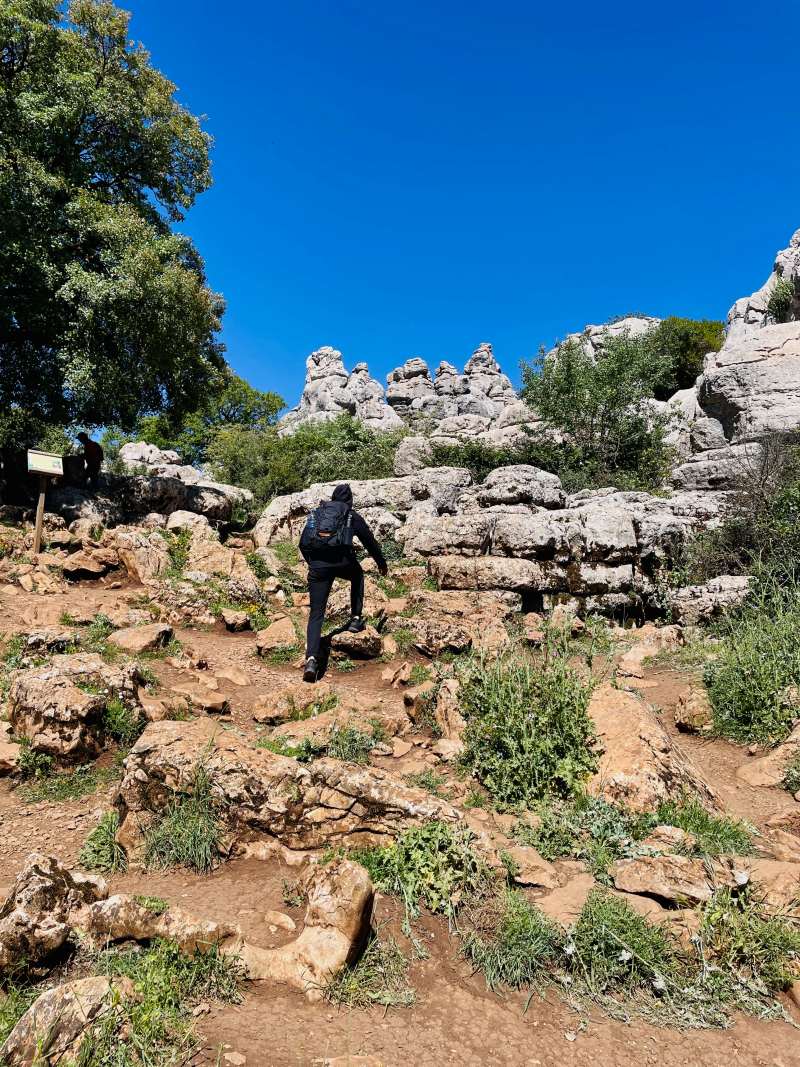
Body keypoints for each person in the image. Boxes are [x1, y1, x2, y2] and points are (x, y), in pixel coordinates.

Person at [300, 483, 387, 682]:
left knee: (316, 614)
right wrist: (382, 563)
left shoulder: (317, 514)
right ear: (349, 500)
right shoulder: (351, 515)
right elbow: (369, 541)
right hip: (343, 563)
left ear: (332, 497)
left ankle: (312, 659)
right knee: (357, 575)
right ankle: (355, 619)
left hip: (319, 568)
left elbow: (303, 543)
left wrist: (313, 564)